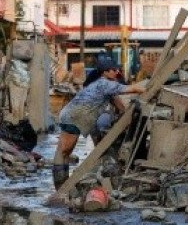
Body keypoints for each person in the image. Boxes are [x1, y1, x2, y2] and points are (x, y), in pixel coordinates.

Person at [52, 54, 146, 189]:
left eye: (116, 69)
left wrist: (124, 115)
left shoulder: (106, 86)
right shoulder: (104, 83)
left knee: (64, 151)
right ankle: (61, 187)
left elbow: (119, 104)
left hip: (74, 115)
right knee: (64, 151)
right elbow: (133, 88)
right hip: (74, 116)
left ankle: (63, 185)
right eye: (113, 70)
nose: (116, 72)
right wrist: (151, 89)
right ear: (105, 72)